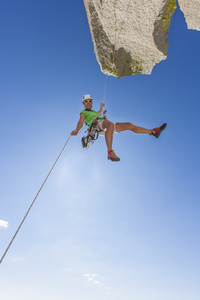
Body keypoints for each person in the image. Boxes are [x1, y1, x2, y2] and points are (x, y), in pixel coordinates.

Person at [71, 94, 167, 162]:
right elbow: (80, 121)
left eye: (89, 101)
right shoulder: (83, 113)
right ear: (83, 104)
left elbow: (99, 112)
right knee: (109, 125)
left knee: (129, 125)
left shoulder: (95, 112)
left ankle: (153, 132)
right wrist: (77, 130)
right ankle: (110, 152)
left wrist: (102, 107)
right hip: (97, 125)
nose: (88, 102)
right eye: (86, 101)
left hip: (104, 126)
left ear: (92, 103)